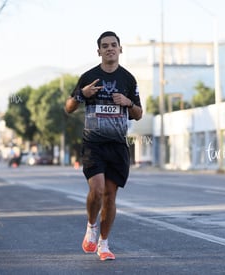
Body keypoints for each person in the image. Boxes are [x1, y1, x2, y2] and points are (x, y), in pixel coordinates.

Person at [65, 31, 142, 261]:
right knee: (97, 190)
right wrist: (82, 93)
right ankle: (91, 226)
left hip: (117, 145)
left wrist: (127, 102)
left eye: (113, 45)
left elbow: (138, 114)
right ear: (98, 51)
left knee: (110, 196)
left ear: (120, 49)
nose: (110, 49)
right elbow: (68, 108)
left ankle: (104, 244)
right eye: (105, 46)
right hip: (94, 144)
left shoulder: (128, 79)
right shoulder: (89, 76)